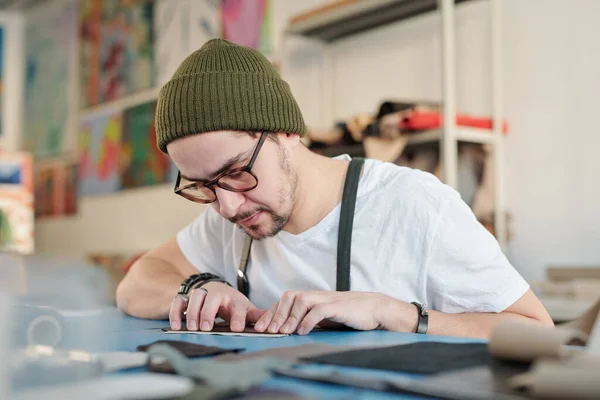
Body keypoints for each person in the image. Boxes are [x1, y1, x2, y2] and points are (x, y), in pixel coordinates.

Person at [116, 39, 553, 339]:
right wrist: (195, 286)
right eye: (204, 186)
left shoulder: (415, 206)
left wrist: (393, 312)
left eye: (236, 172)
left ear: (287, 133)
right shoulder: (227, 221)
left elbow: (535, 329)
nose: (227, 206)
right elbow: (136, 282)